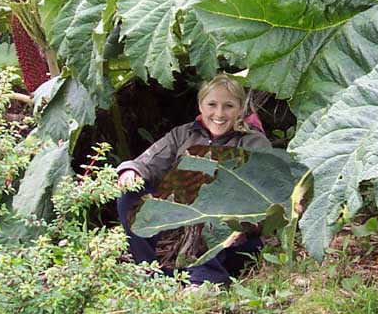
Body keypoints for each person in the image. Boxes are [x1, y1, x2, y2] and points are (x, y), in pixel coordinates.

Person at [116, 73, 272, 286]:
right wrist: (130, 172)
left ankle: (207, 282)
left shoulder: (254, 143)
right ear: (201, 106)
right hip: (179, 237)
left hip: (233, 243)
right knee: (131, 196)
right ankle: (153, 276)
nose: (219, 113)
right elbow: (146, 162)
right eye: (212, 104)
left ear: (240, 108)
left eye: (228, 106)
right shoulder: (183, 135)